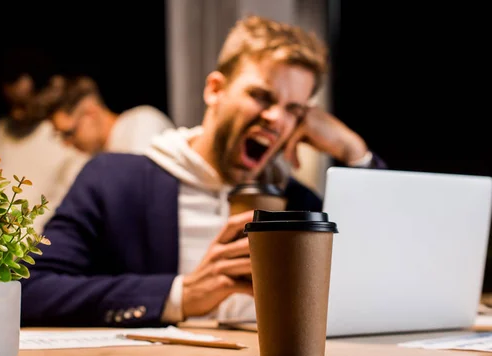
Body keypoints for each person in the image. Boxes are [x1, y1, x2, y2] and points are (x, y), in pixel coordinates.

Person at [20, 15, 386, 327]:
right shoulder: (114, 179)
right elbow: (31, 291)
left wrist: (353, 151)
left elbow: (383, 266)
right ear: (215, 89)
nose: (276, 118)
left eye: (294, 109)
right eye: (261, 96)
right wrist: (181, 294)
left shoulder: (296, 201)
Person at [0, 72, 91, 234]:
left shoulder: (64, 135)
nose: (16, 113)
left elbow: (62, 199)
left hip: (38, 239)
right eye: (11, 104)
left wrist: (23, 236)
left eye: (23, 104)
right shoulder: (2, 128)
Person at [42, 75, 175, 155]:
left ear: (90, 112)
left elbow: (144, 191)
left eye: (69, 133)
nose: (67, 143)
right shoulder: (98, 155)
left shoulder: (142, 123)